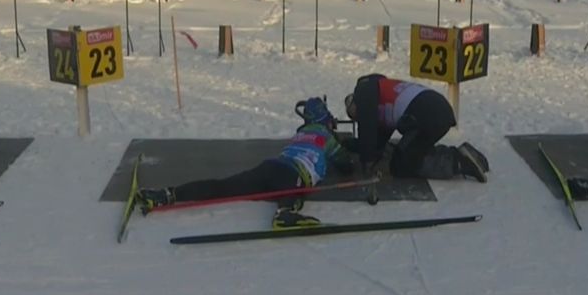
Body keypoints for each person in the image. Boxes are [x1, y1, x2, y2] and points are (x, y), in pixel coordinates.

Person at [136, 97, 354, 228]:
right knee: (295, 193)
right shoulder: (326, 137)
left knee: (223, 187)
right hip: (292, 173)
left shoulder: (300, 134)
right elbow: (346, 165)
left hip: (270, 167)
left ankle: (168, 194)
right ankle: (285, 213)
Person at [342, 73, 489, 182]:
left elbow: (367, 130)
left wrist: (366, 165)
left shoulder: (365, 94)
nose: (359, 119)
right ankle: (465, 155)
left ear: (354, 102)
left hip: (427, 116)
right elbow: (376, 140)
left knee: (402, 166)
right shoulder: (380, 93)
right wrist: (355, 146)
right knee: (411, 149)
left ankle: (458, 161)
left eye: (355, 116)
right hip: (432, 109)